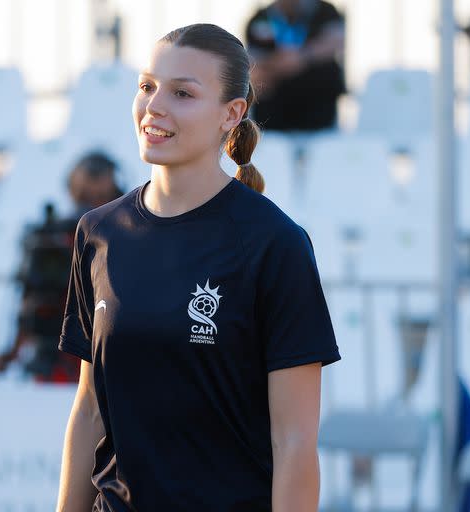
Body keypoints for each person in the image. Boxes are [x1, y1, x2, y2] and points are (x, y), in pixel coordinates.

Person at [56, 23, 340, 511]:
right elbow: (88, 414)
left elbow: (293, 443)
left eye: (182, 93)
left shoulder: (276, 245)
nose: (155, 106)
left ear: (232, 114)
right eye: (147, 86)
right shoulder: (98, 233)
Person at [0, 152, 122, 382]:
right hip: (57, 359)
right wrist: (12, 353)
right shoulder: (50, 237)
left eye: (100, 195)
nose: (91, 203)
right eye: (85, 195)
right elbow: (29, 299)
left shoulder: (130, 234)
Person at [246, 0, 345, 132]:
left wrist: (304, 56)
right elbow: (253, 66)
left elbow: (336, 42)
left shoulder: (325, 11)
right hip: (273, 118)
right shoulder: (260, 18)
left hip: (319, 113)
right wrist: (280, 63)